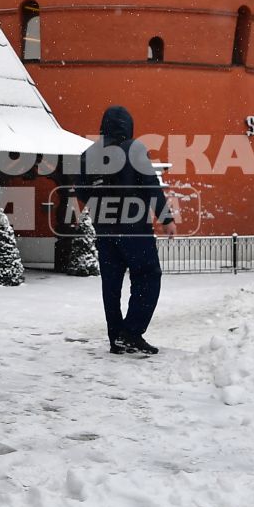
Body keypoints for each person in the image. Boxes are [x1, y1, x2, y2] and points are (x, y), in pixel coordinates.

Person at [76, 106, 175, 355]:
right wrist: (166, 218)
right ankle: (130, 333)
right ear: (127, 126)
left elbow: (80, 190)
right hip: (134, 229)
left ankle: (115, 337)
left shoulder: (89, 154)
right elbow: (151, 185)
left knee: (111, 285)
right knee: (147, 276)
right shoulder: (134, 149)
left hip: (105, 231)